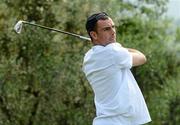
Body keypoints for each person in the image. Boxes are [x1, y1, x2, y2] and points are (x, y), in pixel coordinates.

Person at [82, 12, 151, 125]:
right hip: (118, 121)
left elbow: (107, 53)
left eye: (113, 27)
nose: (113, 32)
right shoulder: (114, 53)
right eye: (106, 29)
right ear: (94, 35)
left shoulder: (88, 57)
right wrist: (118, 46)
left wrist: (112, 46)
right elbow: (142, 57)